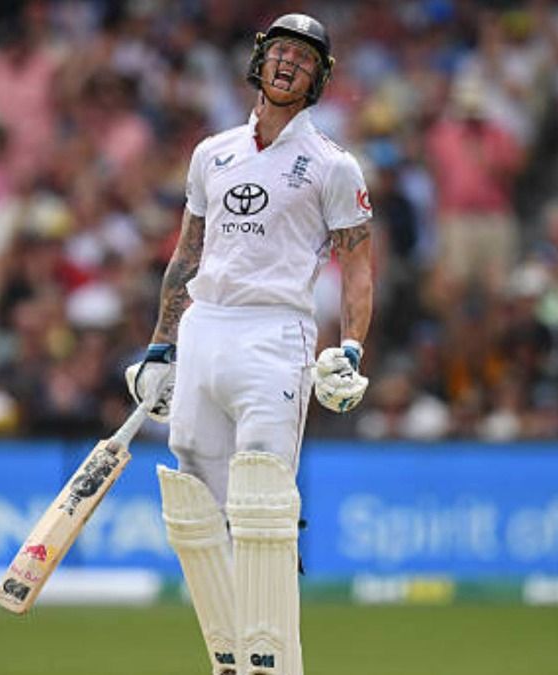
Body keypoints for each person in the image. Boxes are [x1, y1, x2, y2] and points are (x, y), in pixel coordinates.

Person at [124, 14, 373, 675]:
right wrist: (160, 347)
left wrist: (351, 349)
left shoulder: (331, 165)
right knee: (196, 501)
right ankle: (230, 659)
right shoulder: (214, 152)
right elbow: (187, 254)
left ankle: (276, 663)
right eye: (282, 51)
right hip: (206, 325)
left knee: (261, 492)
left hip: (276, 331)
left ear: (319, 80)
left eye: (306, 59)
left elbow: (357, 263)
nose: (291, 64)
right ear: (259, 62)